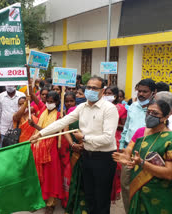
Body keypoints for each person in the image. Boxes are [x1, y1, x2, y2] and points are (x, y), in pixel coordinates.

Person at [31, 76, 119, 214]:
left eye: (94, 88)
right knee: (89, 195)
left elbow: (108, 138)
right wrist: (40, 134)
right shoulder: (82, 107)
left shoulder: (109, 109)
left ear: (102, 91)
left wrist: (84, 137)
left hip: (104, 158)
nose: (90, 90)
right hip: (86, 156)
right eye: (88, 87)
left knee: (101, 198)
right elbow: (62, 122)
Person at [113, 99, 172, 214]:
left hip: (160, 194)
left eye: (155, 113)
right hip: (138, 191)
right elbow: (129, 151)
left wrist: (142, 163)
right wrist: (126, 158)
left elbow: (170, 173)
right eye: (148, 112)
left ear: (165, 117)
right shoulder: (141, 132)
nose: (150, 115)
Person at [119, 78, 156, 213]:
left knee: (145, 186)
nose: (141, 94)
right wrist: (122, 146)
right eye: (139, 91)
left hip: (149, 153)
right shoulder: (133, 106)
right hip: (129, 151)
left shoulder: (157, 110)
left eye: (145, 92)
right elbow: (126, 128)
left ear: (153, 92)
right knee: (126, 184)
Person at [29, 91, 64, 214]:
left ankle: (51, 204)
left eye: (52, 102)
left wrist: (35, 126)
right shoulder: (43, 110)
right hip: (38, 148)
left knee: (50, 176)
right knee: (38, 175)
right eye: (47, 101)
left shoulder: (59, 116)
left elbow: (51, 131)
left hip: (50, 149)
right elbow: (35, 98)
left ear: (57, 103)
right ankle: (38, 201)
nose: (49, 103)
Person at [104, 86, 128, 201]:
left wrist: (111, 125)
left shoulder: (121, 108)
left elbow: (124, 126)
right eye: (106, 93)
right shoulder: (101, 107)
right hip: (102, 137)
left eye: (110, 93)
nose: (107, 95)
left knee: (116, 165)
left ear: (115, 96)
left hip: (115, 137)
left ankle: (116, 190)